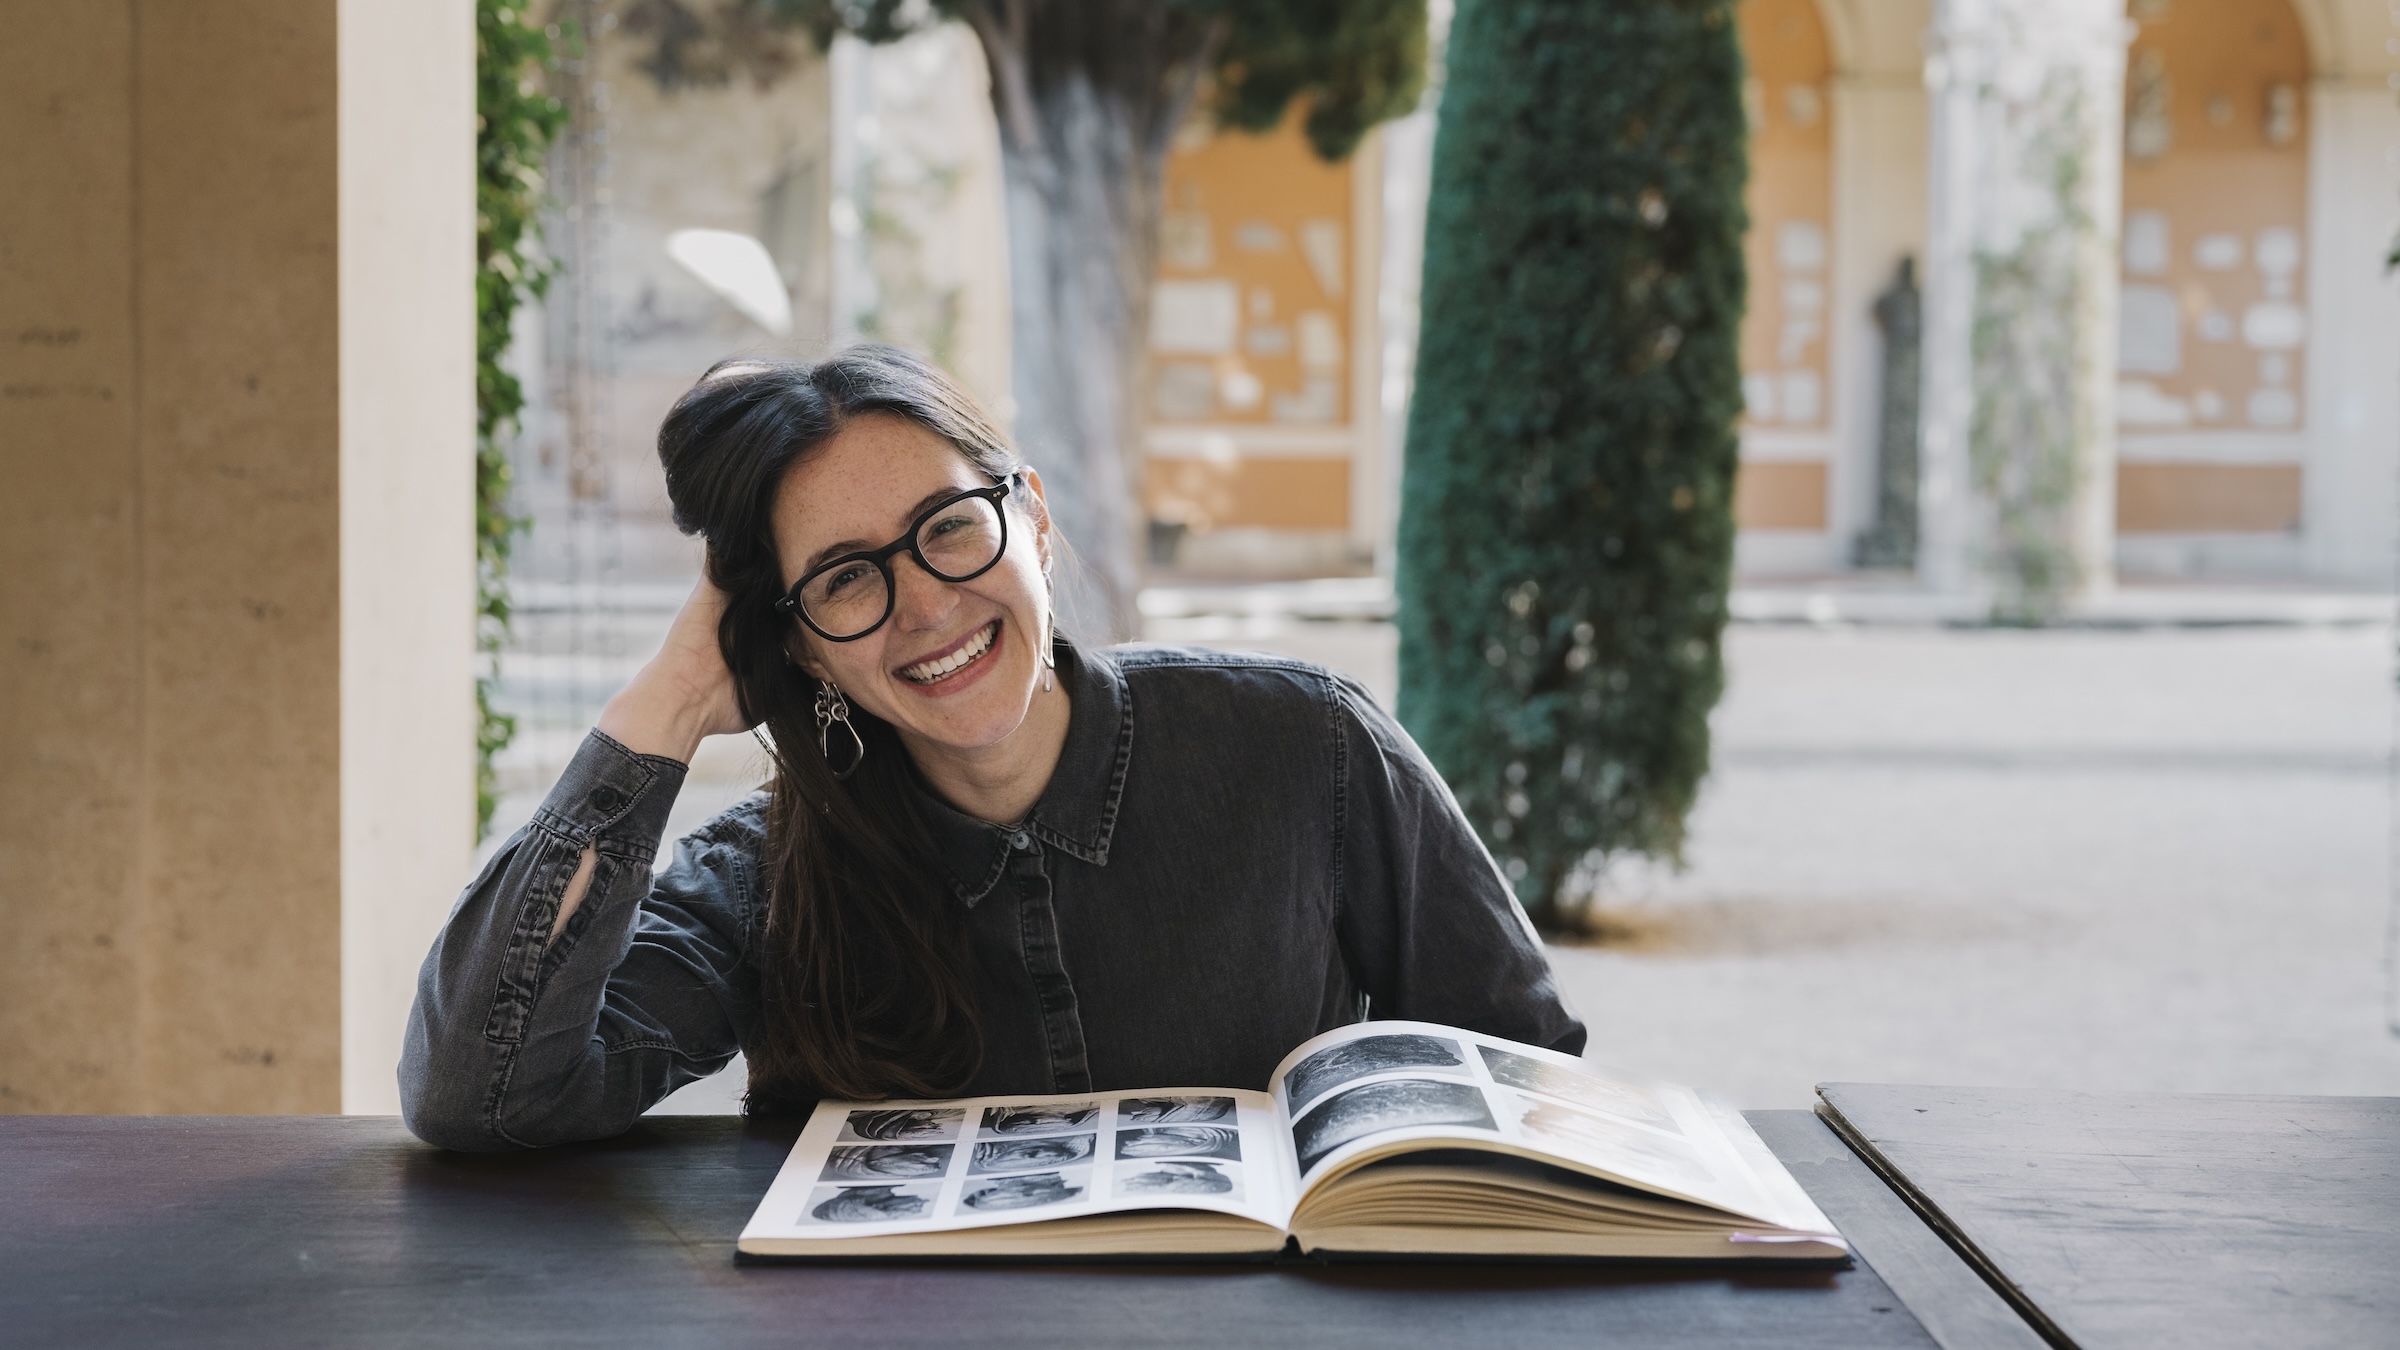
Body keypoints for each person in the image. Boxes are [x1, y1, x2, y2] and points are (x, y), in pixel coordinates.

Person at [400, 344, 1582, 1152]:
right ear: (801, 650)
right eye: (847, 579)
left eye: (950, 529)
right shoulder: (769, 872)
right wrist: (667, 701)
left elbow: (1524, 1069)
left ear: (1038, 521)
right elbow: (482, 1094)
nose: (925, 606)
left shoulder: (1305, 745)